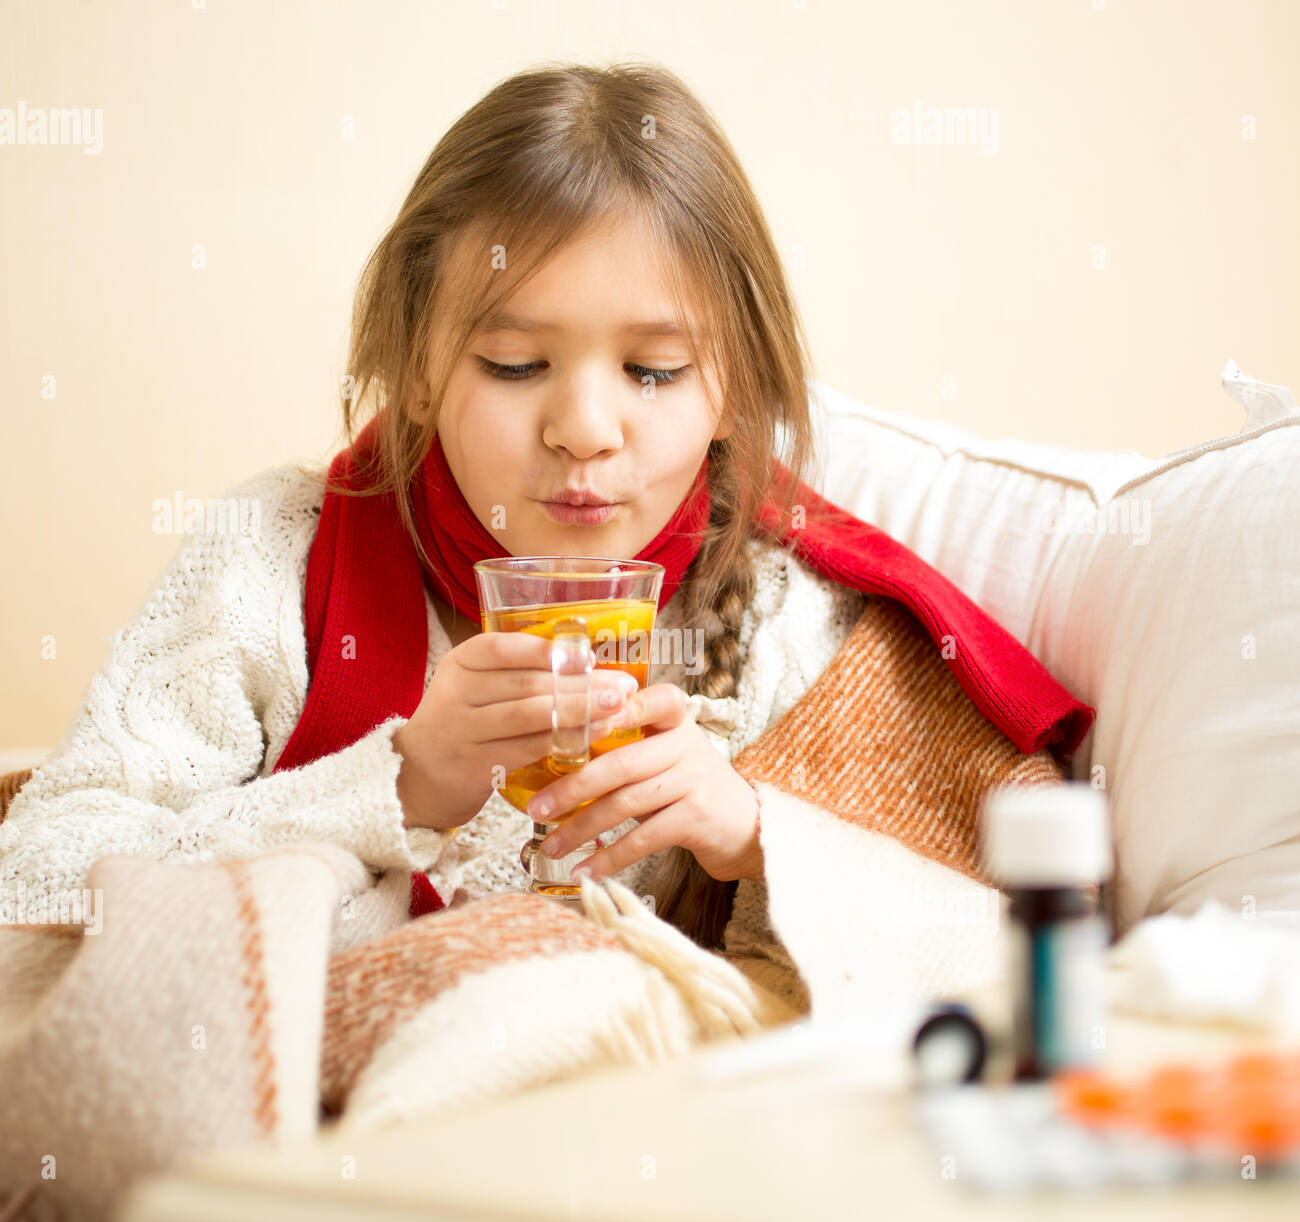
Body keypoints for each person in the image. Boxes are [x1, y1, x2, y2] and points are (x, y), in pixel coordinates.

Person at [0, 61, 1091, 964]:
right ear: (418, 371)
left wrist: (757, 840)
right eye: (515, 363)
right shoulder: (270, 560)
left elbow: (1033, 935)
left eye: (654, 371)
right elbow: (39, 874)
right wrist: (395, 783)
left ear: (732, 394)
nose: (583, 428)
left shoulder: (777, 623)